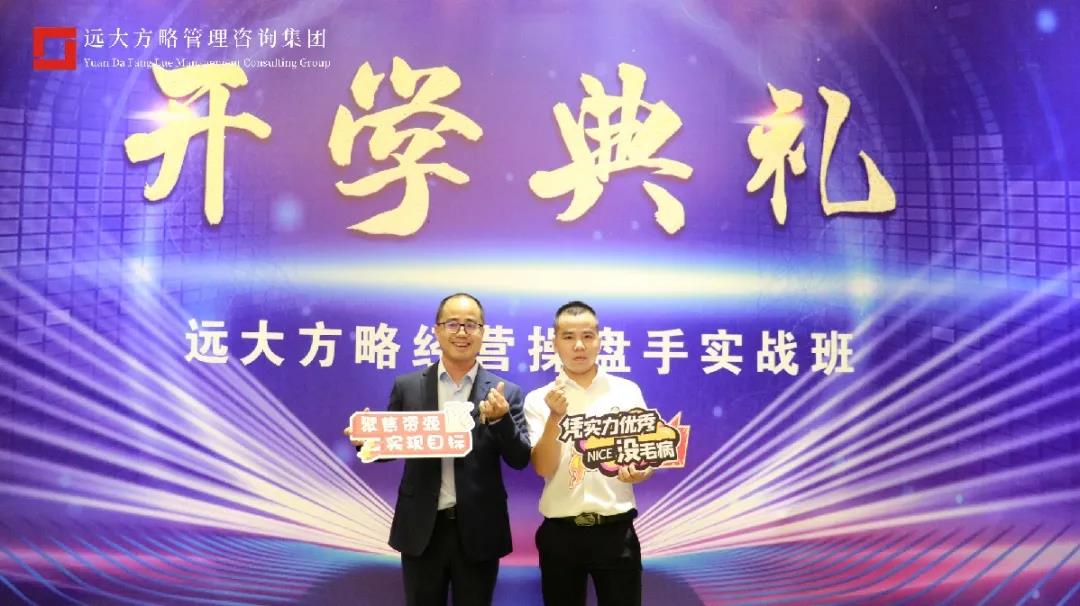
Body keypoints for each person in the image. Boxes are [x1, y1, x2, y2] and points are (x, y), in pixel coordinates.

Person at [346, 293, 532, 606]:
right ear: (437, 330)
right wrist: (370, 440)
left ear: (482, 332)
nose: (462, 332)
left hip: (480, 530)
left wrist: (501, 420)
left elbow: (519, 458)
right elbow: (394, 444)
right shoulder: (408, 386)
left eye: (471, 325)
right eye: (453, 324)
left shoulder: (505, 392)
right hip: (422, 529)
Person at [524, 301, 654, 606]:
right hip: (560, 533)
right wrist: (555, 417)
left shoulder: (626, 391)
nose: (579, 346)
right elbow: (542, 468)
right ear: (555, 342)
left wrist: (641, 471)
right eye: (568, 337)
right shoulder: (538, 399)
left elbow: (646, 456)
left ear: (600, 340)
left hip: (616, 531)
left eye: (587, 336)